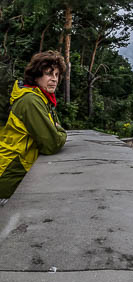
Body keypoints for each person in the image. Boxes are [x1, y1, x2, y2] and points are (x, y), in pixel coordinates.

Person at [0, 51, 68, 199]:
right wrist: (61, 131)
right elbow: (52, 143)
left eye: (56, 75)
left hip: (16, 173)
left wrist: (55, 129)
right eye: (49, 74)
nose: (54, 79)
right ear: (36, 76)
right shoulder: (31, 101)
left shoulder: (43, 99)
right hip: (9, 177)